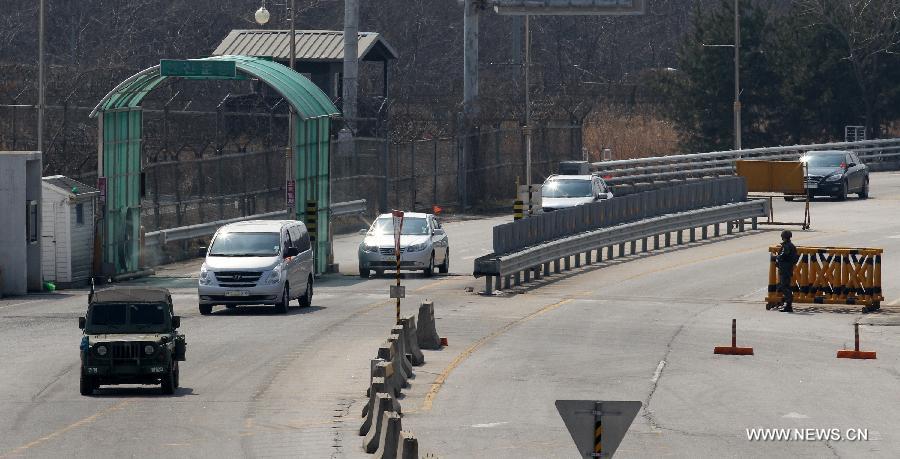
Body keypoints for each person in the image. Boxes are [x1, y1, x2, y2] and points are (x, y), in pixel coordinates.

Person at [775, 230, 799, 312]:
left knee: (785, 286)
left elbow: (784, 254)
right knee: (784, 285)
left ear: (783, 237)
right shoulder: (791, 245)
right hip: (787, 268)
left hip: (785, 268)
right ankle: (785, 303)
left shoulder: (787, 246)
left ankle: (788, 305)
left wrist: (777, 257)